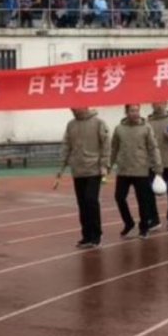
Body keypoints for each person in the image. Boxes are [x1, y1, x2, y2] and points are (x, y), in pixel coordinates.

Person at [57, 106, 109, 249]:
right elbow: (66, 145)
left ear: (84, 106)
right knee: (82, 203)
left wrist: (104, 165)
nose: (73, 110)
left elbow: (105, 144)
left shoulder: (98, 123)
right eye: (72, 108)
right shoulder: (71, 125)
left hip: (94, 169)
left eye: (76, 107)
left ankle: (96, 234)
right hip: (78, 170)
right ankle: (86, 235)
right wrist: (61, 166)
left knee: (91, 200)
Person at [109, 104, 161, 238]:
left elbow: (153, 148)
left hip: (141, 170)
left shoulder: (146, 128)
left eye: (137, 110)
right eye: (132, 111)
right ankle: (129, 223)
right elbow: (114, 148)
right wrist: (108, 165)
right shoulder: (119, 129)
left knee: (143, 201)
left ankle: (144, 227)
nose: (135, 113)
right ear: (126, 112)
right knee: (119, 197)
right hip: (123, 170)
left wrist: (157, 165)